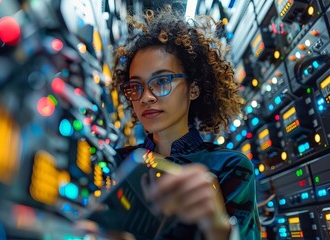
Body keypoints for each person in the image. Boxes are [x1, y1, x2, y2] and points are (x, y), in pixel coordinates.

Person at [111, 5, 261, 240]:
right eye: (136, 86)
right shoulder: (117, 163)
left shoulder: (230, 167)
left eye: (161, 81)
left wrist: (219, 228)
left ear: (193, 89)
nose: (146, 97)